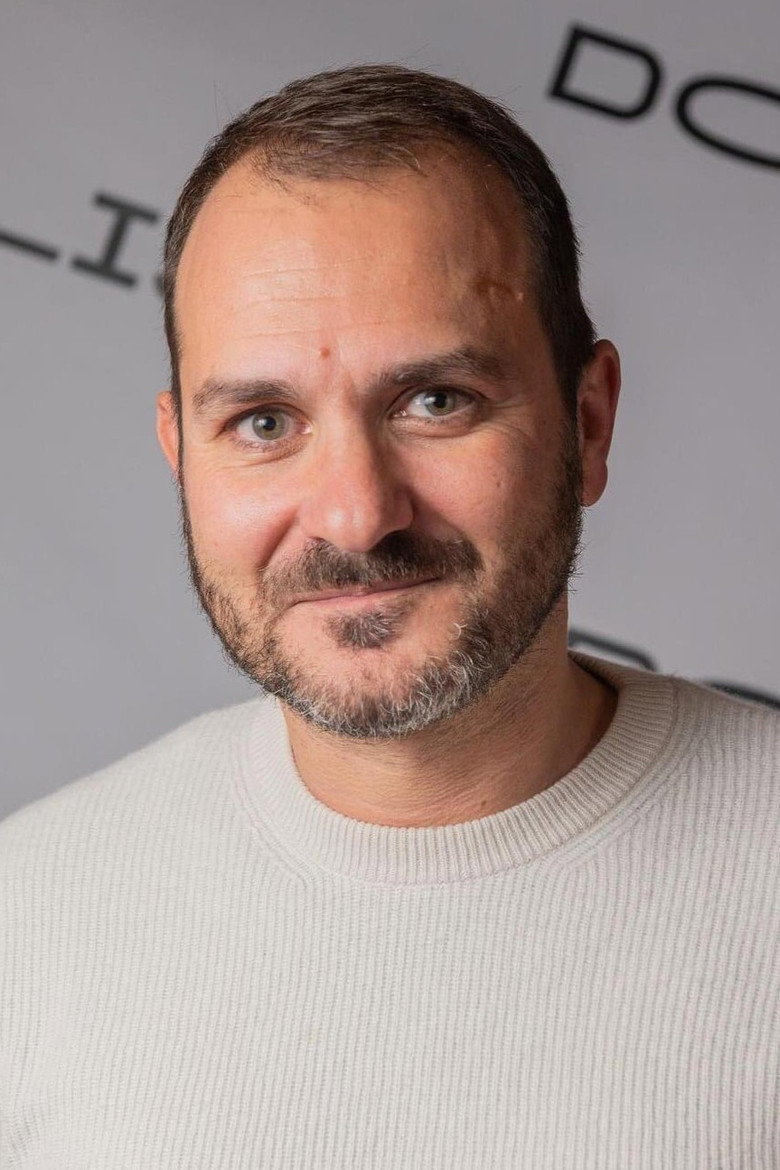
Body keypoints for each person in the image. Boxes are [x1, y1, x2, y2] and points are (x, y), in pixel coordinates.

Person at [1, 64, 778, 1168]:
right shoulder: (27, 918)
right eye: (264, 422)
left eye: (435, 402)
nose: (357, 516)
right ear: (181, 457)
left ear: (588, 423)